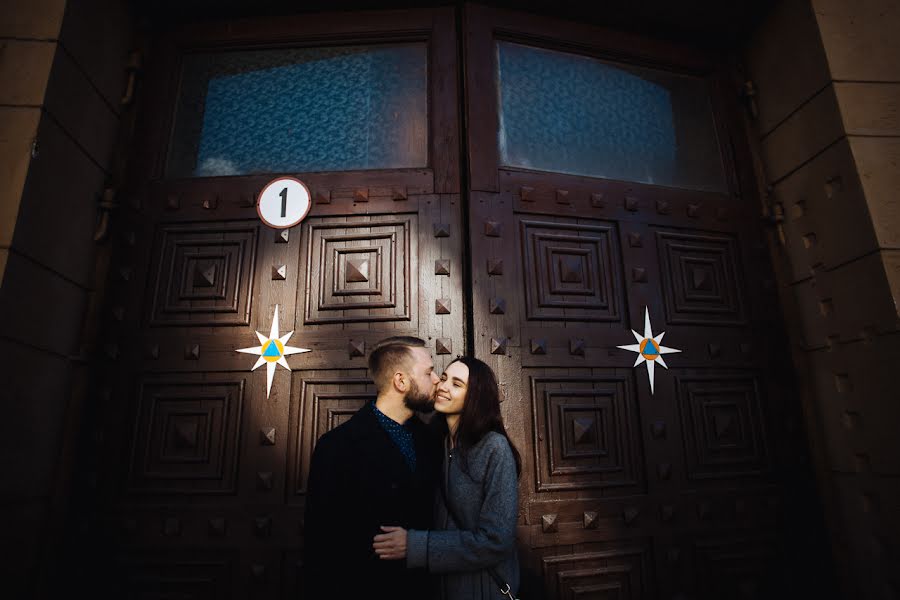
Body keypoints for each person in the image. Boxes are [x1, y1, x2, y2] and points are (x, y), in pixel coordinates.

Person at [303, 336, 443, 600]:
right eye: (429, 371)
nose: (437, 379)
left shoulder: (432, 441)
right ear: (401, 381)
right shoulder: (338, 446)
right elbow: (319, 544)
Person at [372, 356, 522, 600]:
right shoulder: (435, 444)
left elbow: (496, 540)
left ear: (475, 396)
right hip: (440, 589)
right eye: (443, 378)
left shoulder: (494, 448)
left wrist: (416, 545)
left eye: (456, 384)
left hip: (483, 590)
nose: (442, 386)